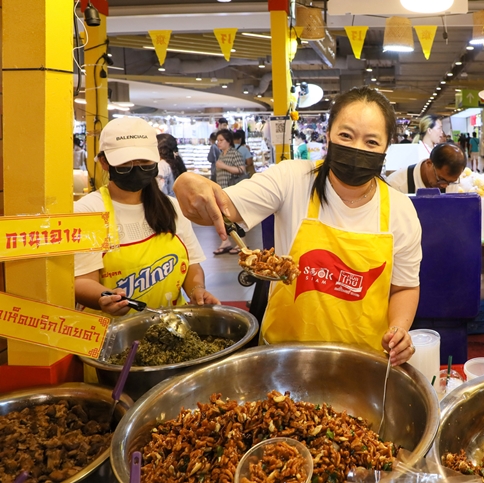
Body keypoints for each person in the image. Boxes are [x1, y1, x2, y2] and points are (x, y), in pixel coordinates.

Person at [173, 86, 421, 366]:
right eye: (346, 136)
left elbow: (404, 287)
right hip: (285, 357)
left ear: (387, 147)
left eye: (371, 142)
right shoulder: (292, 179)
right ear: (328, 136)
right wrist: (187, 183)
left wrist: (399, 328)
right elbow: (218, 209)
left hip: (364, 362)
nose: (356, 149)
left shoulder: (401, 211)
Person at [74, 117, 218, 317]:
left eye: (144, 161)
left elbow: (192, 263)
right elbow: (82, 280)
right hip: (113, 335)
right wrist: (105, 297)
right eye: (125, 162)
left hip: (172, 326)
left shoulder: (172, 208)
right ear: (105, 163)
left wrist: (197, 290)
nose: (136, 167)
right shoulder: (87, 211)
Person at [213, 128, 246, 255]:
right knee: (224, 217)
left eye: (221, 140)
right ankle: (226, 241)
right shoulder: (222, 154)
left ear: (228, 141)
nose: (219, 143)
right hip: (222, 190)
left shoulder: (234, 153)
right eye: (218, 140)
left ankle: (241, 241)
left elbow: (241, 169)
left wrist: (224, 166)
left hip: (232, 191)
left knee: (236, 217)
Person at [386, 142, 466, 194]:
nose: (445, 185)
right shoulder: (396, 185)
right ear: (429, 163)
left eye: (451, 182)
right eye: (441, 179)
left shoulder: (450, 183)